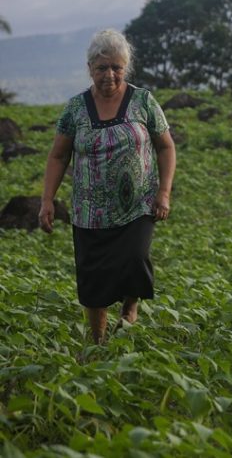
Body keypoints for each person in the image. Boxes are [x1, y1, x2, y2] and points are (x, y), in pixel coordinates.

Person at [38, 29, 176, 344]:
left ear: (125, 68)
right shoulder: (76, 108)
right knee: (93, 278)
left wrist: (164, 192)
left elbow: (166, 146)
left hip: (138, 205)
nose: (109, 75)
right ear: (90, 69)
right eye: (102, 68)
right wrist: (47, 200)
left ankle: (130, 308)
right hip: (90, 212)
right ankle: (97, 342)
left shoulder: (143, 101)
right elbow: (58, 156)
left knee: (135, 258)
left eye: (116, 67)